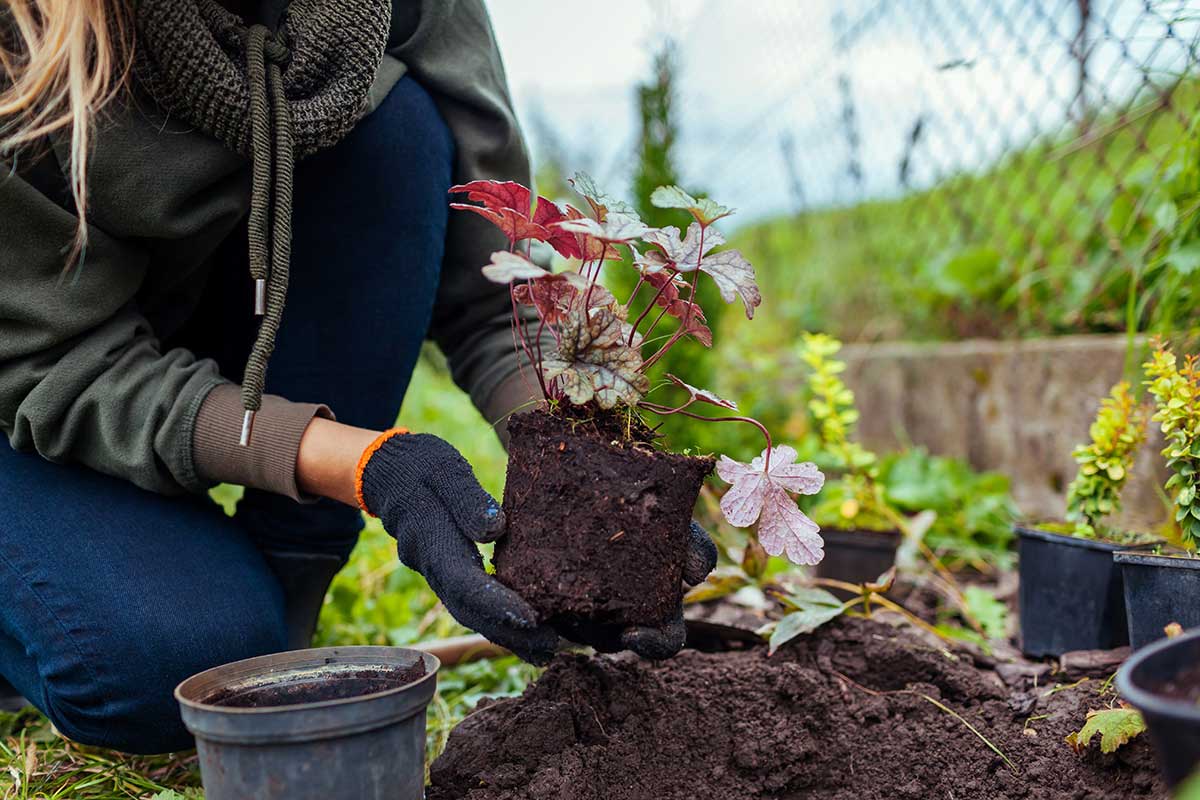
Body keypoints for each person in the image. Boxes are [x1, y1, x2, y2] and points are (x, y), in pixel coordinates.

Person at [0, 0, 716, 754]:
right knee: (156, 670)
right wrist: (371, 467)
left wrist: (597, 484)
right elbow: (53, 359)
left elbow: (492, 296)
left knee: (397, 126)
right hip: (28, 380)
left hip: (175, 351)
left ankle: (284, 596)